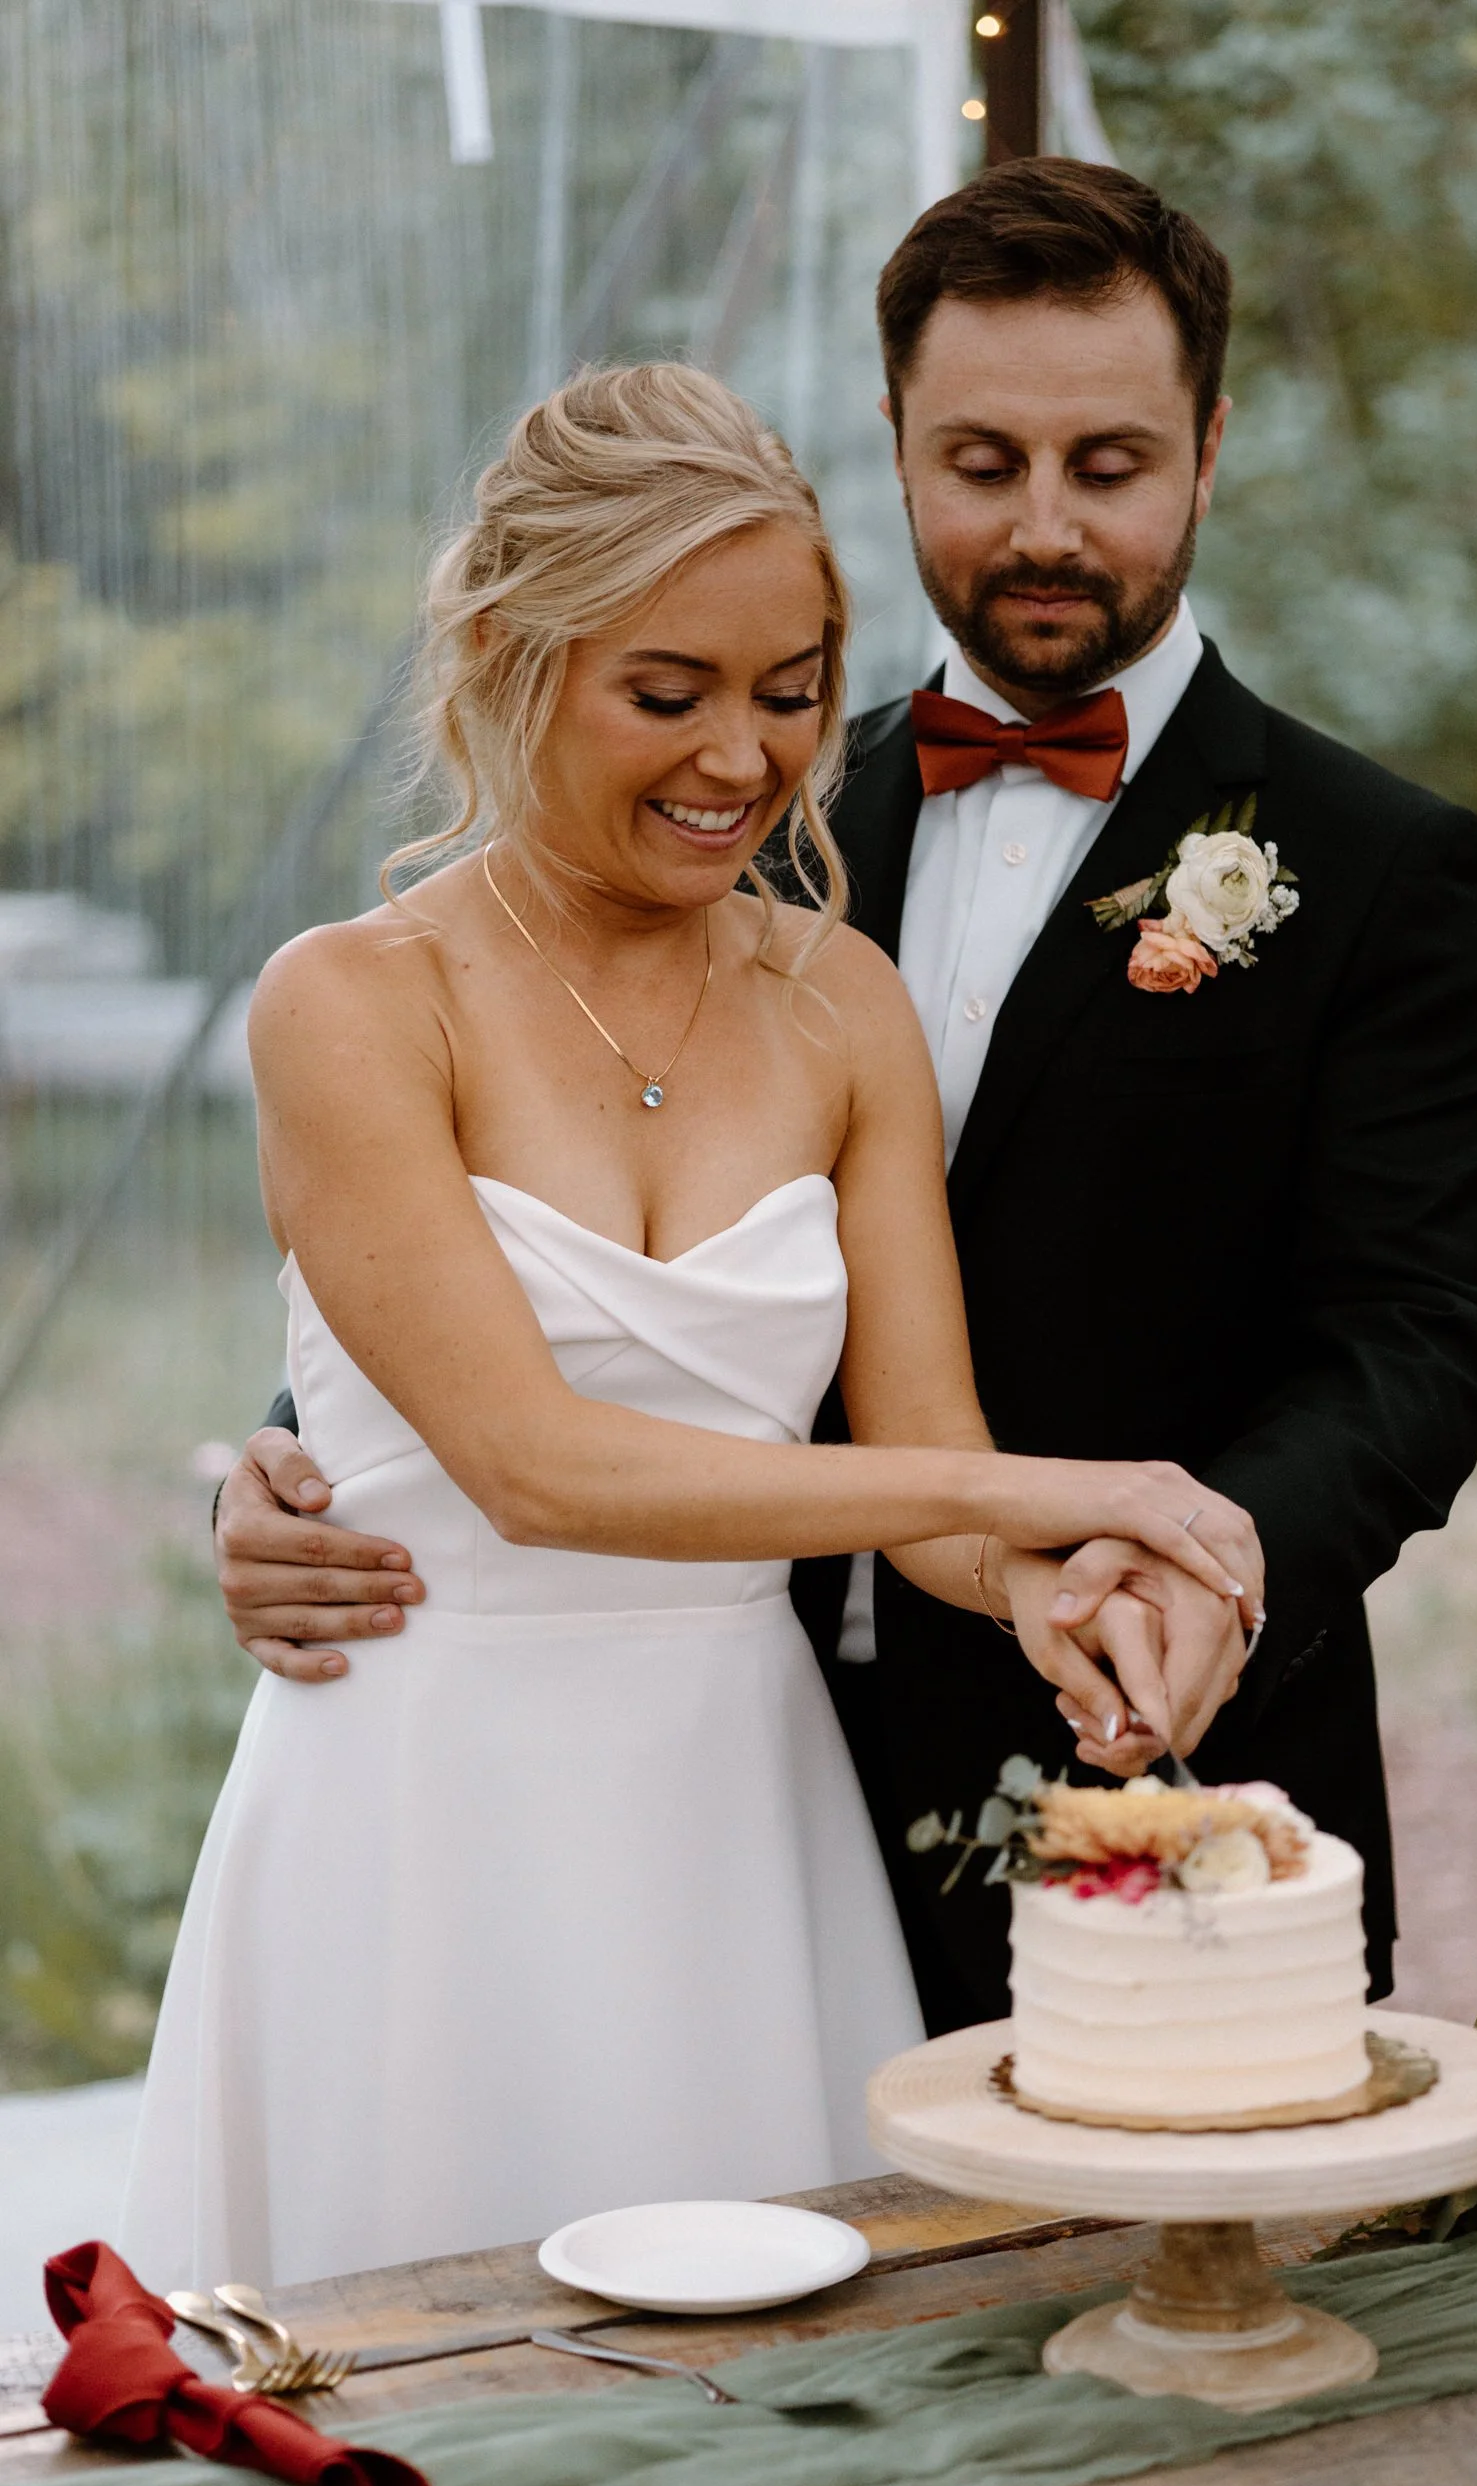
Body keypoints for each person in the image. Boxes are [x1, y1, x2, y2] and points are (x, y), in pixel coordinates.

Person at [213, 161, 1477, 2035]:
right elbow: (521, 1234)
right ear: (900, 445)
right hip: (697, 1765)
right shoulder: (734, 809)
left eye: (1110, 463)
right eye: (982, 462)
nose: (1046, 527)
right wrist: (301, 1461)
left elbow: (1418, 1332)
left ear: (1209, 451)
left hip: (1122, 1763)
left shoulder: (1381, 867)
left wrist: (1203, 1571)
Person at [124, 362, 1255, 2289]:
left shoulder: (843, 1009)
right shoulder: (350, 1004)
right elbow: (531, 1468)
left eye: (792, 688)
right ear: (505, 653)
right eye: (669, 692)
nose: (745, 757)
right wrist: (1094, 1478)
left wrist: (1062, 1580)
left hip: (733, 1814)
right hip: (417, 1814)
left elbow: (924, 1496)